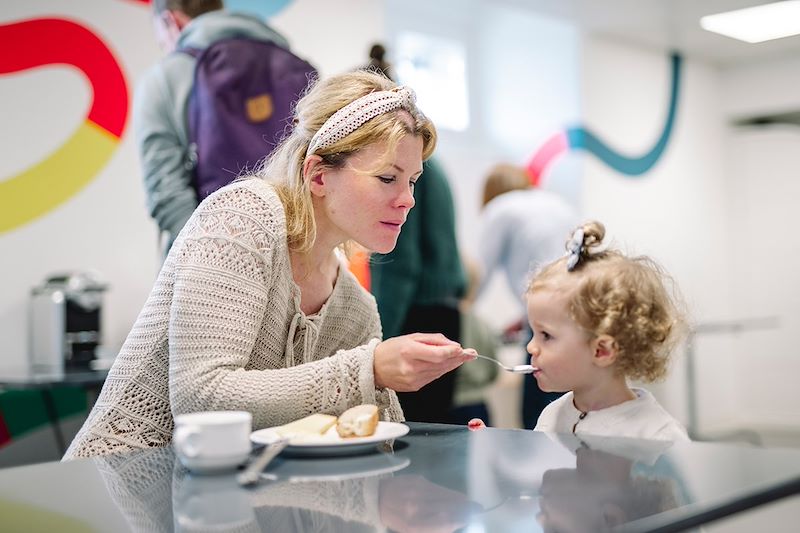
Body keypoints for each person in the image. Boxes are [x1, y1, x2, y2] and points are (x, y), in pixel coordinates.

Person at [63, 70, 474, 459]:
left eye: (413, 181)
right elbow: (200, 398)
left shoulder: (354, 309)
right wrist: (370, 367)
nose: (408, 200)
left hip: (222, 504)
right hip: (122, 489)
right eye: (388, 178)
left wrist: (449, 447)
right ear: (317, 176)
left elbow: (367, 435)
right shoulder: (242, 219)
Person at [135, 0, 291, 254]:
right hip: (291, 260)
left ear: (169, 21)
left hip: (206, 263)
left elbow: (166, 192)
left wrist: (215, 258)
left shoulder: (164, 78)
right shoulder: (292, 62)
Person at [528, 220, 689, 441]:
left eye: (546, 335)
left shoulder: (656, 435)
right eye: (534, 333)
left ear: (602, 350)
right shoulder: (551, 417)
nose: (531, 346)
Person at [477, 163, 579, 429]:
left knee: (538, 422)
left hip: (545, 328)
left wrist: (458, 317)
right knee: (575, 415)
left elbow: (478, 276)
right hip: (580, 323)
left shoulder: (500, 209)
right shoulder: (558, 204)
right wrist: (524, 318)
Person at [370, 157, 467, 422]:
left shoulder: (408, 168)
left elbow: (399, 262)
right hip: (445, 309)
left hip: (417, 311)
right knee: (433, 425)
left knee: (413, 429)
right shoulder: (432, 167)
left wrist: (378, 339)